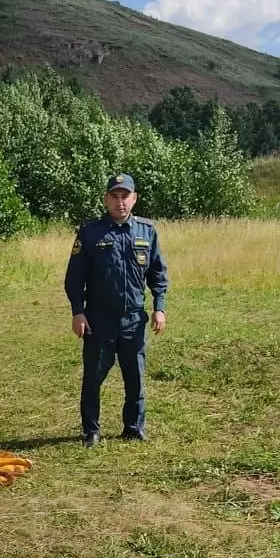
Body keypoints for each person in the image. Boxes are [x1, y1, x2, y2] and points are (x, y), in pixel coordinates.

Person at [64, 174, 169, 447]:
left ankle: (133, 427)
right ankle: (91, 431)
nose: (120, 202)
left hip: (134, 319)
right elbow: (74, 278)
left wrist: (159, 308)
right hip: (99, 319)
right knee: (93, 378)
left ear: (134, 199)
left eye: (125, 196)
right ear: (106, 200)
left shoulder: (147, 231)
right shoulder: (90, 233)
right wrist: (78, 312)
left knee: (135, 376)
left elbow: (158, 273)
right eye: (114, 196)